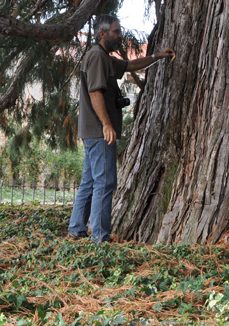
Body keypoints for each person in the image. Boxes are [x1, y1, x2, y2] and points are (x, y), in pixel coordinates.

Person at [68, 15, 175, 242]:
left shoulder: (104, 57)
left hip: (92, 132)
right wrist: (107, 125)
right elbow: (95, 92)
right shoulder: (97, 56)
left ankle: (77, 228)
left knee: (90, 181)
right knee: (105, 182)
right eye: (116, 32)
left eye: (120, 31)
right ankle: (99, 236)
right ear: (102, 34)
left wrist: (157, 56)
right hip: (99, 132)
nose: (120, 35)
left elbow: (129, 65)